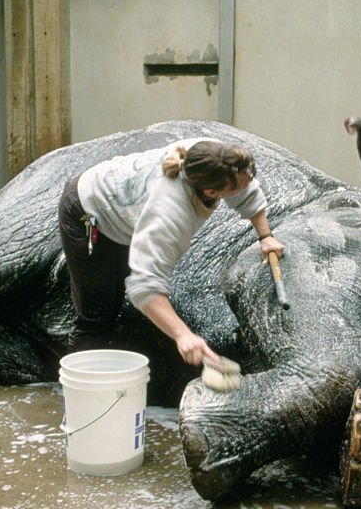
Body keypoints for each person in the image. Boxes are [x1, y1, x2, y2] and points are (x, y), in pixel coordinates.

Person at [57, 138, 285, 366]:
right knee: (97, 314)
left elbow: (245, 189)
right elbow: (144, 284)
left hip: (125, 207)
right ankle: (82, 390)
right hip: (88, 211)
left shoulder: (214, 155)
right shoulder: (169, 212)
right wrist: (182, 335)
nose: (246, 183)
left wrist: (265, 237)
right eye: (237, 186)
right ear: (210, 191)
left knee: (116, 296)